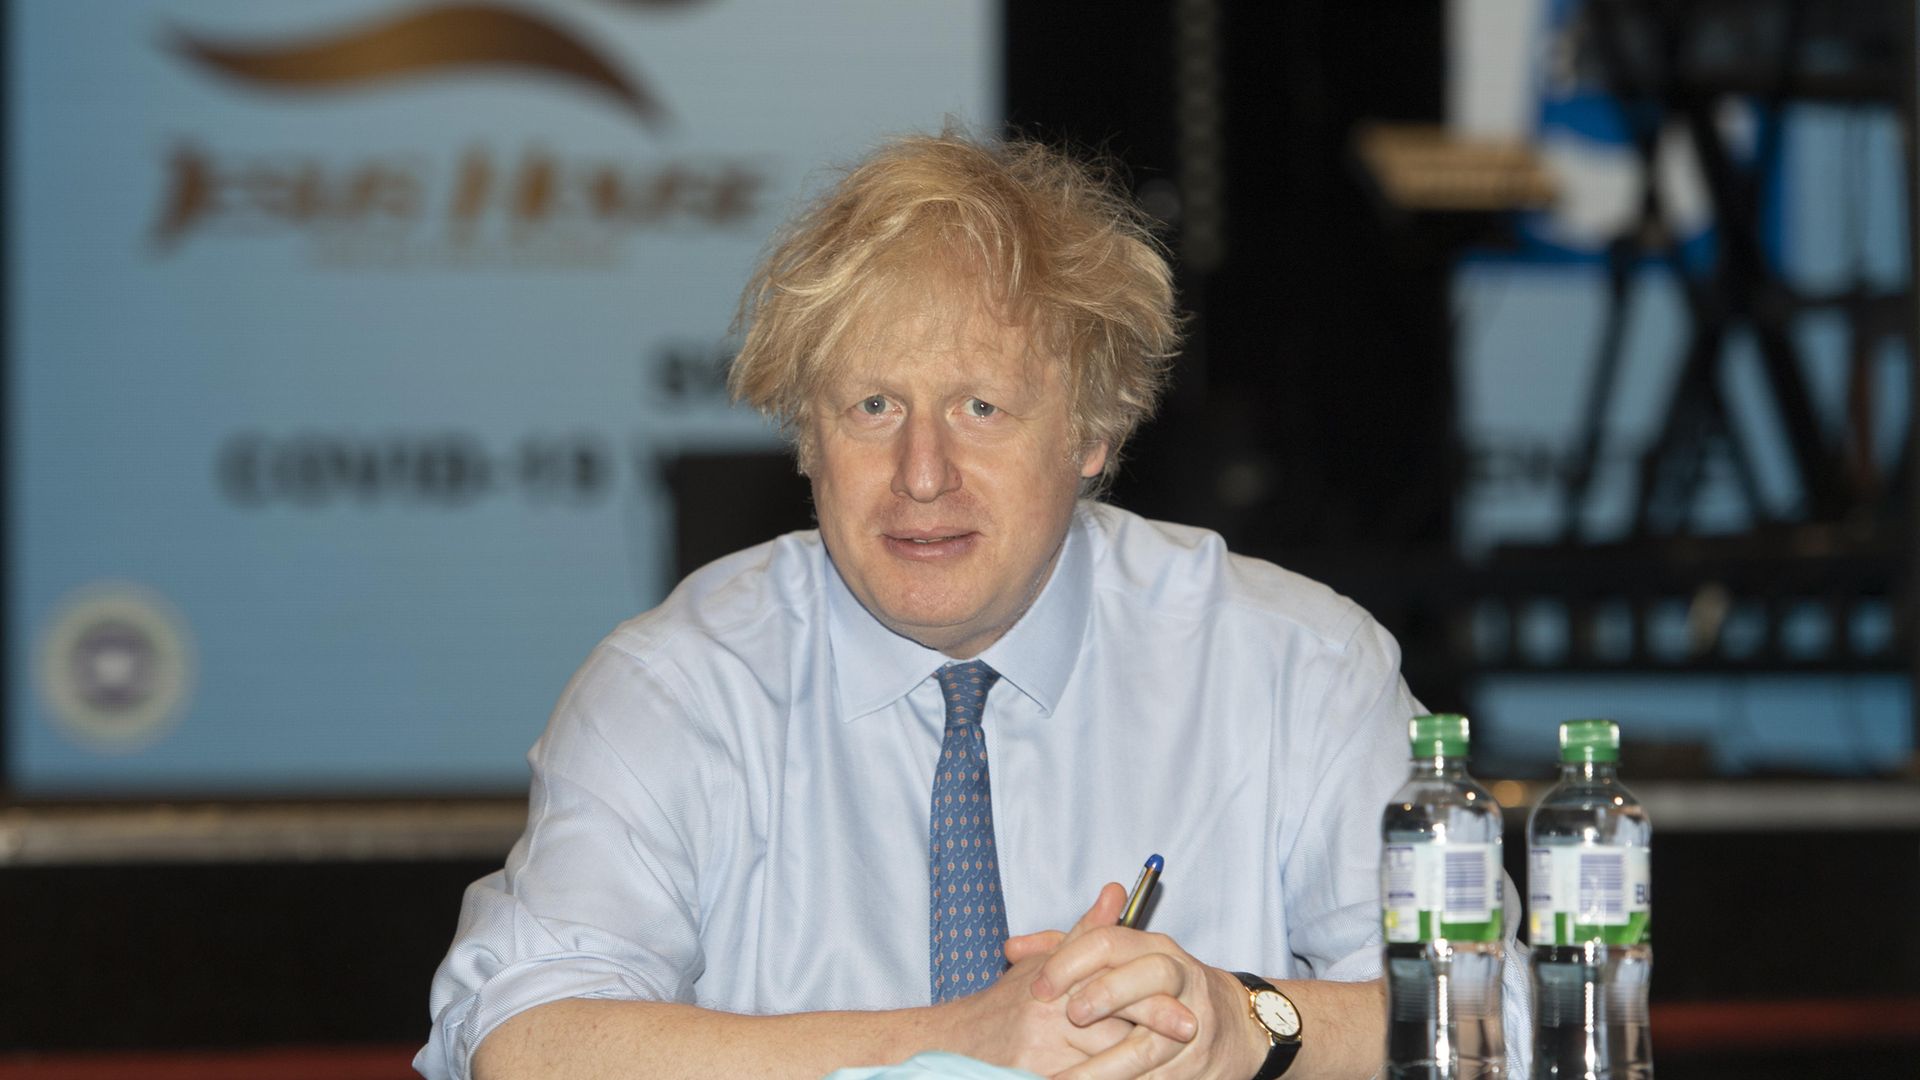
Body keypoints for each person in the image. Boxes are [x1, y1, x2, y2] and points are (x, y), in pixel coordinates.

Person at [417, 129, 1530, 1080]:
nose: (921, 473)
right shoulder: (678, 687)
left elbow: (1495, 1018)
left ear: (1095, 431)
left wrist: (1245, 1022)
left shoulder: (1293, 664)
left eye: (983, 407)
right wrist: (958, 1047)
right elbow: (520, 1037)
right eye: (870, 406)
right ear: (808, 436)